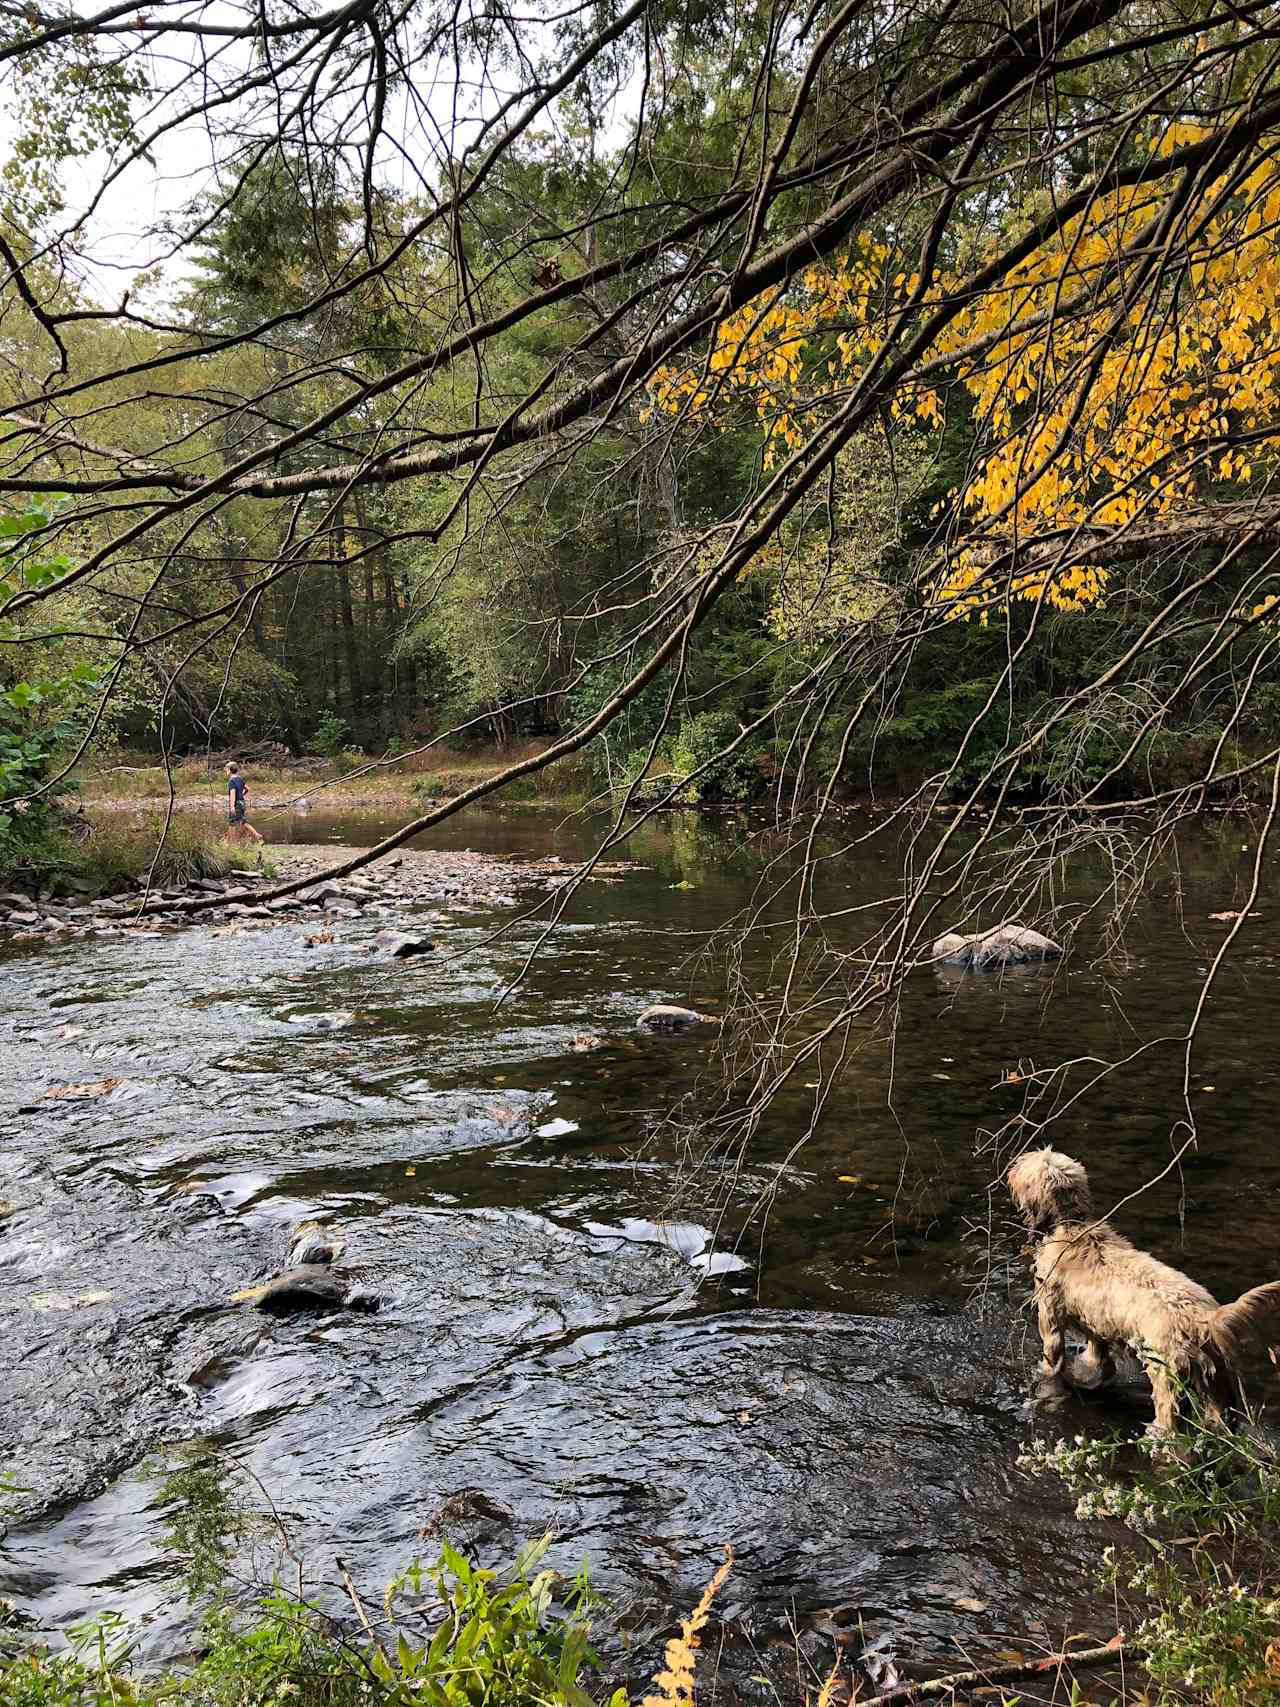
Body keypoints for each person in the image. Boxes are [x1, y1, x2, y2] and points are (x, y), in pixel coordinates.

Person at [225, 762, 264, 844]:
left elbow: (233, 793)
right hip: (242, 802)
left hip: (236, 804)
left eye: (226, 769)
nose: (225, 771)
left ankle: (232, 843)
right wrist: (242, 795)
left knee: (232, 823)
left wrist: (232, 807)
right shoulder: (240, 779)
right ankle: (256, 835)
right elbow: (247, 789)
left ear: (230, 770)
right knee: (242, 822)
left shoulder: (231, 781)